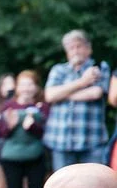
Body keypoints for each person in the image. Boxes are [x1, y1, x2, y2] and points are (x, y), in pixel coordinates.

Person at [0, 70, 50, 188]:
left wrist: (32, 126)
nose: (26, 88)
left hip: (35, 156)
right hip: (11, 158)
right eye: (23, 84)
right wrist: (9, 126)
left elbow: (44, 132)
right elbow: (2, 132)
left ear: (36, 87)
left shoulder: (41, 106)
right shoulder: (8, 106)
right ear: (17, 87)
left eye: (30, 84)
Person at [44, 30, 111, 170]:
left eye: (79, 46)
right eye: (71, 47)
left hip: (92, 139)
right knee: (64, 187)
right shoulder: (58, 70)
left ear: (88, 48)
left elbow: (96, 93)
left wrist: (62, 94)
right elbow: (49, 96)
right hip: (61, 140)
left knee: (94, 185)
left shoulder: (99, 67)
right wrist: (83, 82)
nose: (75, 51)